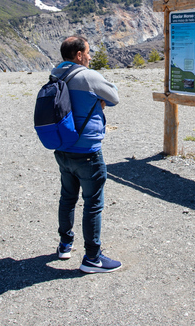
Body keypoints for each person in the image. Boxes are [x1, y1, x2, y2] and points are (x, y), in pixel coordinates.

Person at [51, 35, 121, 273]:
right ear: (79, 55)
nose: (90, 57)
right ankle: (93, 258)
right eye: (88, 53)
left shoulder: (55, 74)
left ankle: (65, 245)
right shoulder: (88, 76)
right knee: (93, 203)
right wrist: (98, 101)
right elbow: (114, 97)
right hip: (87, 151)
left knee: (67, 197)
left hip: (62, 148)